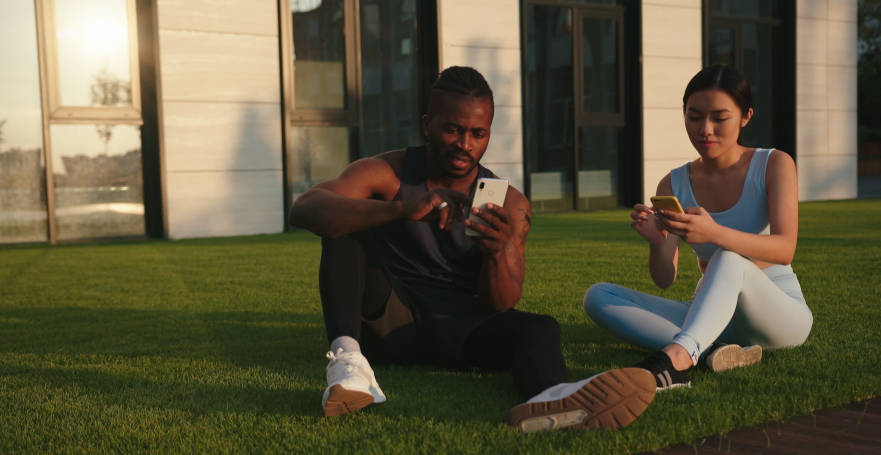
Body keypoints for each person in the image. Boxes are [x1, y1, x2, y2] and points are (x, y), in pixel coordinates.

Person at [289, 66, 655, 432]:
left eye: (478, 133)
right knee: (343, 226)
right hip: (389, 322)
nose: (465, 143)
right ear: (427, 123)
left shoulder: (509, 202)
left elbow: (501, 303)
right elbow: (305, 207)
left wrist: (496, 253)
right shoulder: (391, 172)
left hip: (461, 331)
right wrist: (400, 209)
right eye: (453, 129)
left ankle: (551, 398)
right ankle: (348, 364)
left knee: (540, 327)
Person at [584, 64, 813, 391]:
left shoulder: (774, 164)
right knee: (598, 296)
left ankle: (677, 359)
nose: (705, 129)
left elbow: (784, 249)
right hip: (712, 316)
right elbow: (665, 279)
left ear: (745, 116)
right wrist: (656, 242)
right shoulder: (674, 182)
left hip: (778, 317)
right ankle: (714, 351)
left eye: (720, 118)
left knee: (727, 258)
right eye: (694, 117)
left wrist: (714, 234)